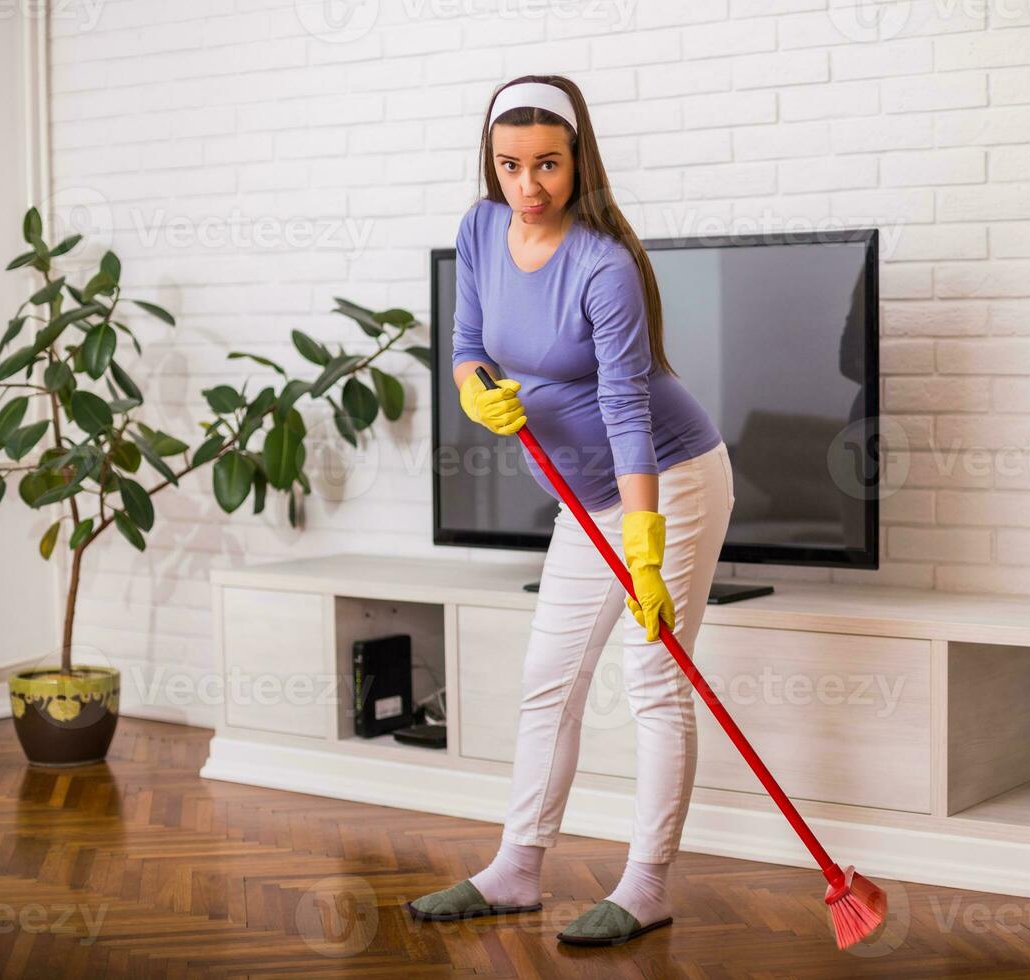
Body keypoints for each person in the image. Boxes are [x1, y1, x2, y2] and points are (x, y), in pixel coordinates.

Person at [406, 75, 735, 947]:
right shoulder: (480, 229)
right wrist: (477, 394)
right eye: (510, 165)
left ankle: (648, 883)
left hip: (669, 479)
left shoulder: (604, 264)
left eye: (547, 164)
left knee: (653, 680)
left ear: (578, 159)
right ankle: (516, 869)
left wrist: (648, 551)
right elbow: (467, 345)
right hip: (581, 497)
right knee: (548, 679)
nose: (529, 186)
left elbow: (629, 411)